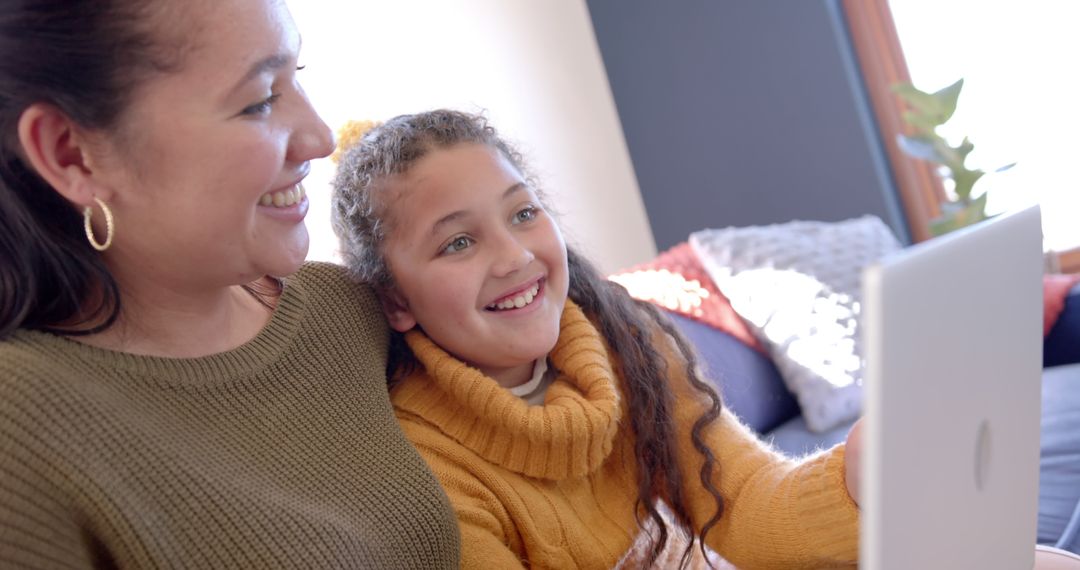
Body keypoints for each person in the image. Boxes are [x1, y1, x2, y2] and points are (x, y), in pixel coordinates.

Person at [0, 1, 459, 568]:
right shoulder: (20, 432)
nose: (320, 138)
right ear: (72, 153)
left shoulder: (350, 309)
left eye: (299, 77)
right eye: (260, 100)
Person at [329, 109, 864, 569]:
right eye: (459, 242)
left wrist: (860, 477)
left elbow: (745, 502)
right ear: (396, 301)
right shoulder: (428, 474)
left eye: (522, 213)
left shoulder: (628, 338)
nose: (516, 257)